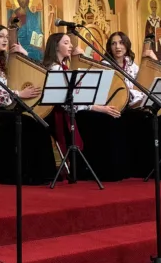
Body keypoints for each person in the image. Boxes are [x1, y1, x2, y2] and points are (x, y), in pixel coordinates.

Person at [0, 24, 55, 185]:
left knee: (37, 123)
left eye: (6, 37)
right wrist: (19, 94)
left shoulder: (3, 61)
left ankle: (41, 174)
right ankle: (24, 174)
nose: (5, 40)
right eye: (0, 36)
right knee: (30, 124)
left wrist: (23, 54)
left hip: (3, 109)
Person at [42, 33, 120, 182]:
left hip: (67, 110)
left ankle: (88, 167)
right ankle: (85, 168)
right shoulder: (55, 68)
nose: (71, 46)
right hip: (57, 113)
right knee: (99, 120)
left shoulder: (64, 66)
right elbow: (67, 100)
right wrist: (98, 108)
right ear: (55, 46)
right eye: (66, 43)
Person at [104, 31, 161, 180]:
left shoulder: (132, 64)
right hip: (120, 107)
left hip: (137, 104)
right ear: (109, 47)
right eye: (113, 43)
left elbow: (146, 83)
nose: (118, 46)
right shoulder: (106, 65)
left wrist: (153, 59)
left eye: (121, 43)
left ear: (126, 45)